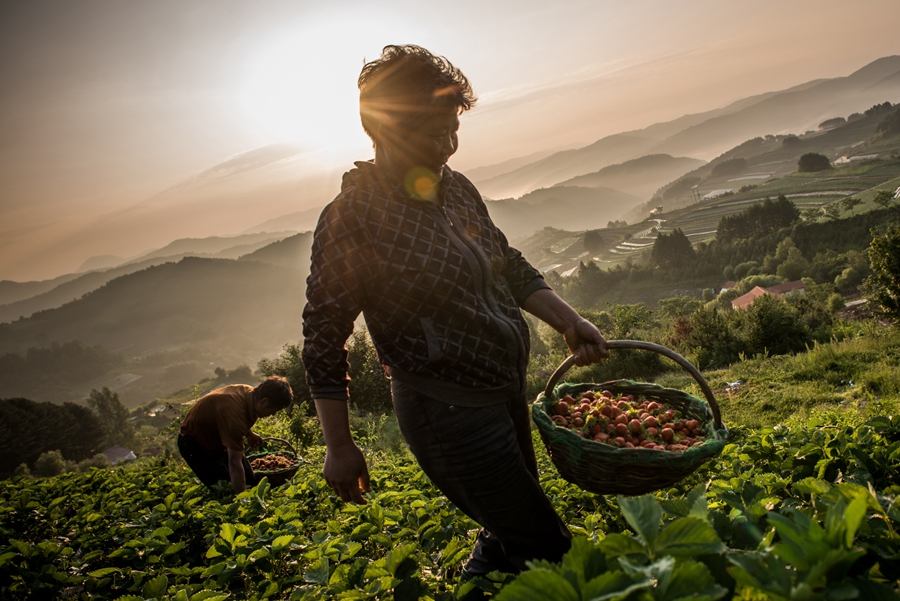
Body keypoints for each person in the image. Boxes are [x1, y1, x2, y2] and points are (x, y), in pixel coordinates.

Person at [301, 45, 608, 579]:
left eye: (452, 130)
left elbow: (506, 264)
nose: (447, 146)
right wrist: (339, 445)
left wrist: (567, 319)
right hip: (445, 408)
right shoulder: (354, 217)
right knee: (546, 545)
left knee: (508, 525)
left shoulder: (456, 189)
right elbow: (323, 334)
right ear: (385, 129)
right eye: (431, 133)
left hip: (503, 390)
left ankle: (479, 581)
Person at [177, 375, 293, 493]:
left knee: (251, 483)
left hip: (220, 440)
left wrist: (249, 434)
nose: (273, 414)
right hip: (197, 445)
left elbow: (232, 420)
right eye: (274, 410)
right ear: (263, 402)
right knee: (226, 489)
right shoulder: (233, 414)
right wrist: (242, 499)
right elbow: (234, 462)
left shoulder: (249, 394)